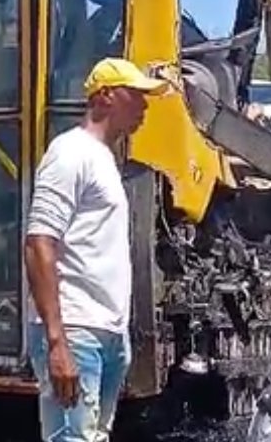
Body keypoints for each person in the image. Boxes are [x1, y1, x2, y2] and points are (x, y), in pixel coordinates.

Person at [24, 57, 169, 442]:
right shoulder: (70, 153)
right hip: (76, 330)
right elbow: (39, 243)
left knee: (92, 437)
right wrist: (58, 342)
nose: (144, 106)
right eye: (136, 95)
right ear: (105, 96)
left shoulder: (104, 159)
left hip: (106, 332)